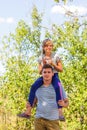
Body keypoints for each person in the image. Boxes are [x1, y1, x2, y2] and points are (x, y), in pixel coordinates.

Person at [18, 38, 67, 121]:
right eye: (47, 46)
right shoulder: (41, 57)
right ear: (44, 47)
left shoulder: (56, 56)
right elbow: (40, 72)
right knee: (33, 86)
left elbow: (61, 69)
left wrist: (52, 64)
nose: (49, 47)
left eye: (51, 45)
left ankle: (60, 112)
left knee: (57, 87)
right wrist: (44, 64)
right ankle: (28, 111)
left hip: (54, 75)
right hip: (45, 75)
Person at [34, 64, 69, 130]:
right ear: (42, 73)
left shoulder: (58, 87)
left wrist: (63, 104)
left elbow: (67, 103)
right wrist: (30, 104)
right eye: (44, 72)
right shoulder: (37, 87)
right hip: (39, 120)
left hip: (52, 121)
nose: (46, 74)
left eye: (49, 72)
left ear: (52, 74)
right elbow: (34, 102)